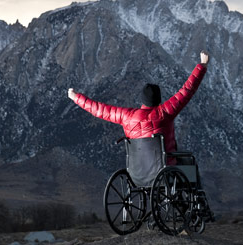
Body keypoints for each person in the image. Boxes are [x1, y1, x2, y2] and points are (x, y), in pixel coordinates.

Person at [68, 51, 209, 163]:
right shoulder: (165, 112)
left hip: (138, 170)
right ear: (158, 100)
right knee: (189, 163)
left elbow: (99, 109)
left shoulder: (127, 116)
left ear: (142, 100)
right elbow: (187, 90)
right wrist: (202, 65)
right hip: (165, 167)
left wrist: (76, 97)